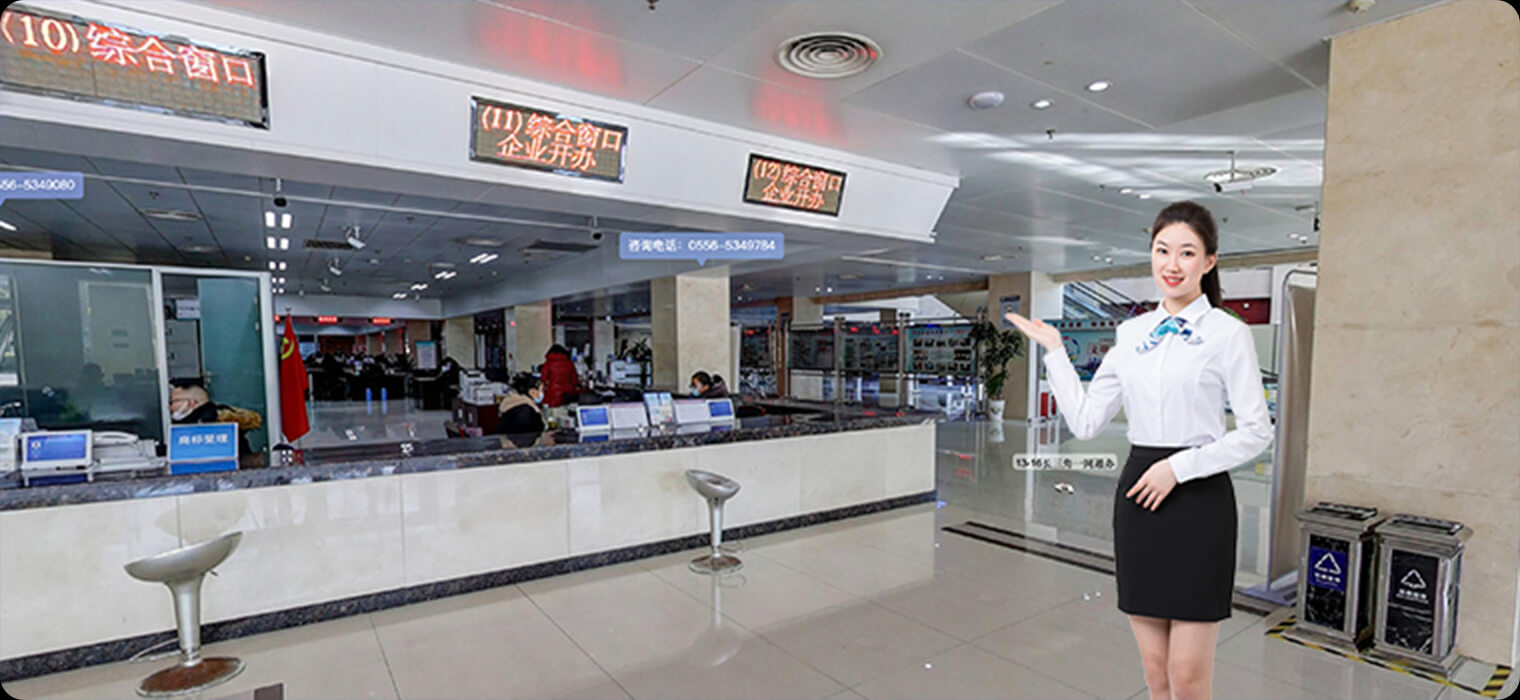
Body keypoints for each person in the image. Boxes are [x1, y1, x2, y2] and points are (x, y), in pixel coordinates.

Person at [1003, 201, 1272, 700]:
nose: (1172, 264)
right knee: (1155, 672)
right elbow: (1086, 422)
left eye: (1187, 252)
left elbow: (1258, 431)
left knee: (1188, 677)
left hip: (1199, 498)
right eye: (1162, 250)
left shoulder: (1228, 333)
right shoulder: (1130, 334)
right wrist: (1056, 353)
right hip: (1140, 500)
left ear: (1209, 261)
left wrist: (1178, 467)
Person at [169, 383, 259, 459]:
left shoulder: (211, 424)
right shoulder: (222, 421)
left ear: (191, 403)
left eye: (173, 402)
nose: (170, 407)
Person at [496, 372, 546, 443]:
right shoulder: (524, 413)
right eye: (541, 390)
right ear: (532, 392)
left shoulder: (514, 406)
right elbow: (524, 439)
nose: (542, 393)